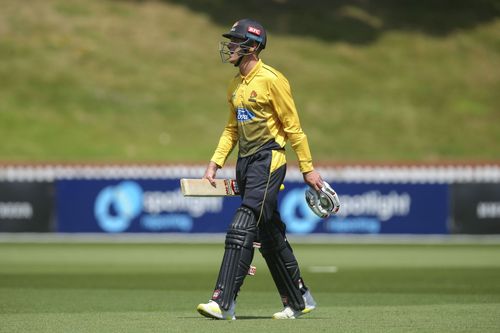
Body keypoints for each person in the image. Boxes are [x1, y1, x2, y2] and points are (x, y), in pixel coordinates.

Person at [196, 18, 324, 320]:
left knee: (242, 224)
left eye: (235, 42)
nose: (229, 46)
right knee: (269, 235)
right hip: (245, 162)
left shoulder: (272, 80)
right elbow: (231, 130)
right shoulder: (234, 86)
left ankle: (223, 302)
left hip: (269, 160)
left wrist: (308, 169)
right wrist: (215, 164)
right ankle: (299, 299)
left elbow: (294, 128)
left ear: (252, 47)